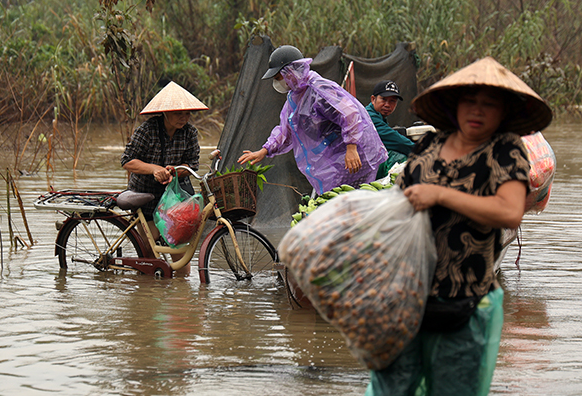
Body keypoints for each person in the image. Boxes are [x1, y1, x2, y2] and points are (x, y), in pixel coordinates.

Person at [360, 56, 553, 396]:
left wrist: (442, 195)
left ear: (503, 113)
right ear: (454, 106)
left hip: (466, 302)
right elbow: (399, 204)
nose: (477, 111)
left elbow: (510, 211)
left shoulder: (505, 152)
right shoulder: (429, 147)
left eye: (489, 104)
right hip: (409, 297)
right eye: (470, 102)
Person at [238, 45, 387, 195]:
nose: (277, 83)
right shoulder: (295, 96)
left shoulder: (319, 89)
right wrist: (264, 150)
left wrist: (351, 147)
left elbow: (349, 114)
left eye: (278, 78)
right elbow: (286, 129)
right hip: (337, 160)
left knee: (354, 201)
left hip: (354, 156)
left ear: (290, 71)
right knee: (339, 202)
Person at [121, 80, 209, 276]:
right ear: (166, 113)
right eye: (179, 113)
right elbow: (127, 161)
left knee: (180, 254)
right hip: (145, 196)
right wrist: (154, 169)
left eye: (187, 114)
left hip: (173, 201)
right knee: (150, 250)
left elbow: (191, 165)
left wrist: (176, 170)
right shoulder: (147, 130)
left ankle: (180, 295)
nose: (184, 118)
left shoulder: (190, 133)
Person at [366, 80, 415, 179]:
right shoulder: (369, 118)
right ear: (373, 99)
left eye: (392, 101)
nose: (387, 105)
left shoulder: (378, 117)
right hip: (353, 166)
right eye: (383, 99)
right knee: (397, 158)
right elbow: (397, 141)